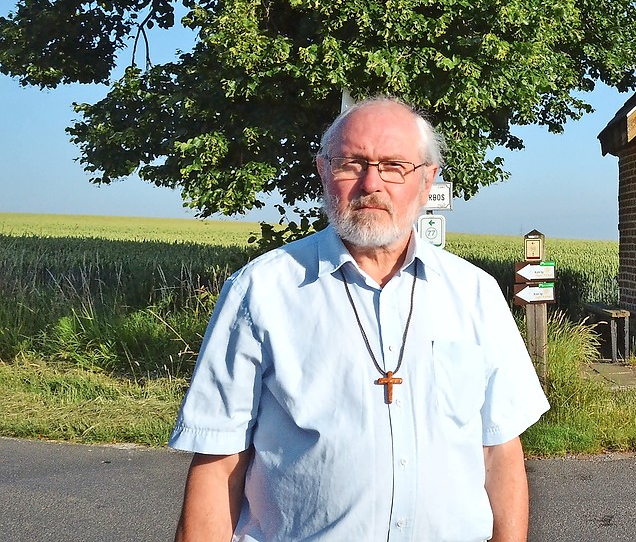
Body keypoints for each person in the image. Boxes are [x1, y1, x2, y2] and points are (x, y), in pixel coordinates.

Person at [171, 97, 548, 541]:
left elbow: (499, 453)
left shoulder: (474, 294)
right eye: (351, 163)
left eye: (393, 166)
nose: (372, 183)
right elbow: (218, 463)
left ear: (427, 180)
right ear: (322, 171)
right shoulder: (262, 292)